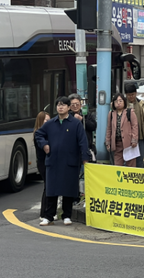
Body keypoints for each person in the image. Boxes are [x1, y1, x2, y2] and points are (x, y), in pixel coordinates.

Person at [35, 97, 90, 226]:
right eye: (58, 105)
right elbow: (38, 134)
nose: (60, 107)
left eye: (64, 105)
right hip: (53, 161)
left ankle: (67, 215)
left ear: (68, 108)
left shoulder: (75, 123)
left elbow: (83, 142)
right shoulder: (51, 123)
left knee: (68, 189)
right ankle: (49, 216)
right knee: (51, 190)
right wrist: (44, 145)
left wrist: (85, 159)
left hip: (69, 161)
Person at [105, 93, 138, 167]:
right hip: (117, 144)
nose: (118, 103)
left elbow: (135, 126)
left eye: (120, 101)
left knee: (130, 166)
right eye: (116, 101)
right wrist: (108, 142)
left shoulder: (130, 112)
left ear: (124, 102)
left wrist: (134, 139)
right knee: (118, 166)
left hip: (129, 143)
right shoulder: (111, 114)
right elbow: (109, 128)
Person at [125, 83, 144, 168]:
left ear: (136, 93)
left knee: (140, 161)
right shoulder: (123, 105)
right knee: (128, 161)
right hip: (127, 138)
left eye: (132, 94)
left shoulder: (141, 104)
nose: (131, 97)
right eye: (129, 95)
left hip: (140, 137)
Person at [68, 93, 97, 160]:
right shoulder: (68, 116)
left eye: (77, 104)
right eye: (72, 104)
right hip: (71, 148)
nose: (75, 106)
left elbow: (93, 126)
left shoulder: (87, 114)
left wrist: (82, 119)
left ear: (80, 104)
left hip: (86, 146)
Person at [33, 111, 50, 220]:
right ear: (40, 121)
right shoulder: (39, 134)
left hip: (45, 163)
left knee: (48, 187)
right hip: (43, 163)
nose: (48, 122)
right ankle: (43, 213)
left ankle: (47, 212)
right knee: (47, 187)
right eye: (46, 120)